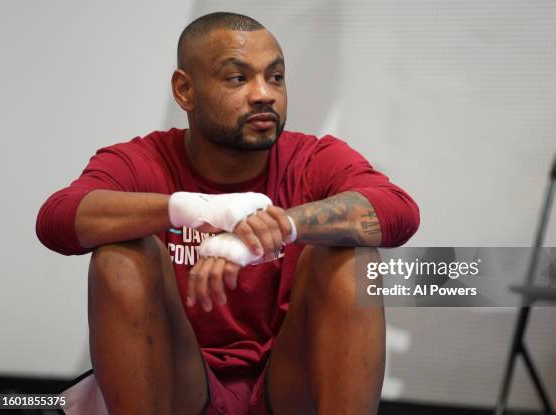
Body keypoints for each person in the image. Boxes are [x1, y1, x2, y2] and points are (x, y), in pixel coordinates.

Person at [36, 11, 419, 415]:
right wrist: (200, 209)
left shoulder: (313, 158)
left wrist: (280, 226)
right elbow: (56, 220)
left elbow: (399, 212)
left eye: (275, 77)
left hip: (287, 389)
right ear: (185, 90)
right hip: (181, 385)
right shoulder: (143, 160)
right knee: (120, 259)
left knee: (351, 260)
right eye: (238, 78)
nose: (264, 94)